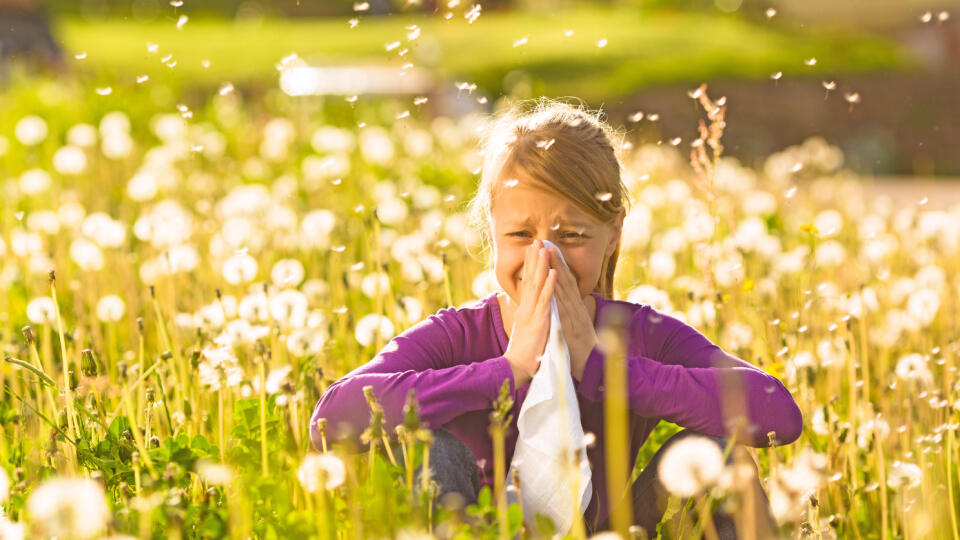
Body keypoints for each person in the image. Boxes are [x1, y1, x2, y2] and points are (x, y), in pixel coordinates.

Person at [309, 98, 803, 537]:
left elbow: (778, 414)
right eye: (521, 235)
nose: (544, 258)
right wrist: (508, 371)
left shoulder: (637, 334)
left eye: (571, 237)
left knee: (722, 457)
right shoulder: (457, 335)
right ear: (492, 233)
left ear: (612, 235)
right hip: (474, 530)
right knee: (429, 452)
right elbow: (331, 420)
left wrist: (606, 369)